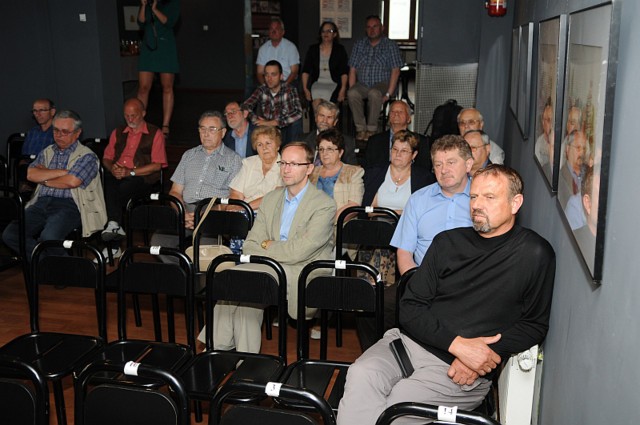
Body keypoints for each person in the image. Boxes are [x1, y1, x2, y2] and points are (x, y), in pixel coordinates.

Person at [337, 165, 556, 425]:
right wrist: (459, 345)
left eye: (489, 197)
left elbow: (534, 325)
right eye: (474, 197)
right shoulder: (447, 242)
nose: (477, 205)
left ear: (515, 202)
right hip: (408, 345)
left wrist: (479, 357)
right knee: (361, 374)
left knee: (399, 408)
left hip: (458, 371)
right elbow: (409, 306)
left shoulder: (534, 253)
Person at [212, 142, 335, 353]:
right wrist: (274, 248)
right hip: (269, 265)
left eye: (294, 164)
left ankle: (219, 350)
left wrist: (268, 246)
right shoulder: (270, 198)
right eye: (284, 163)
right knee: (233, 283)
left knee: (242, 283)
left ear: (309, 168)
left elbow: (299, 252)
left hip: (302, 270)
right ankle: (238, 356)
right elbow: (250, 245)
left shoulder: (324, 204)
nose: (286, 169)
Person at [2, 110, 107, 259]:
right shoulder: (46, 152)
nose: (59, 135)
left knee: (49, 238)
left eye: (65, 131)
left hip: (71, 205)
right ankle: (50, 264)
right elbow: (30, 174)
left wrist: (44, 177)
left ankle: (59, 267)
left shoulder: (87, 156)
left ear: (77, 133)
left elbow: (71, 182)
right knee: (11, 234)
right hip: (40, 202)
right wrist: (64, 172)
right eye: (56, 130)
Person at [149, 111, 242, 251]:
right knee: (158, 243)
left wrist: (205, 214)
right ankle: (182, 271)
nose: (206, 134)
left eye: (212, 129)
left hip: (212, 211)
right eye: (202, 129)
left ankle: (198, 271)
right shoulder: (189, 155)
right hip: (185, 208)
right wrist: (182, 213)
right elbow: (175, 191)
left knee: (203, 251)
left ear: (223, 133)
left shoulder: (233, 159)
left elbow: (234, 196)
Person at [391, 135, 474, 275]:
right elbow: (404, 252)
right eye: (438, 164)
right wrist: (415, 287)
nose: (444, 170)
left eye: (451, 162)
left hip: (471, 284)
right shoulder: (418, 200)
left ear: (468, 165)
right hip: (425, 285)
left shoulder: (483, 200)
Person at [100, 98, 168, 253]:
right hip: (118, 175)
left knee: (115, 192)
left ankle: (114, 242)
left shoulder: (154, 133)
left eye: (134, 115)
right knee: (107, 184)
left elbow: (157, 165)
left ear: (143, 113)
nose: (130, 119)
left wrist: (129, 172)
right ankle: (114, 227)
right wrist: (113, 168)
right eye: (126, 116)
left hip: (142, 177)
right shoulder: (118, 132)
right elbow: (106, 158)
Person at [347, 15, 403, 141]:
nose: (372, 30)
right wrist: (352, 88)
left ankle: (371, 130)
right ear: (365, 30)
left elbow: (395, 71)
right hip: (362, 83)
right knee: (352, 93)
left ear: (382, 28)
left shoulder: (390, 45)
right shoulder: (359, 45)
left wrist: (388, 93)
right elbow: (352, 69)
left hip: (382, 84)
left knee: (374, 93)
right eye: (368, 27)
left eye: (375, 26)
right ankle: (361, 129)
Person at [137, 0, 180, 137]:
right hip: (149, 47)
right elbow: (141, 22)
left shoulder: (172, 3)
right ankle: (139, 122)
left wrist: (155, 9)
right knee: (143, 87)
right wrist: (144, 5)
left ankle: (165, 125)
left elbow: (169, 22)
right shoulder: (147, 3)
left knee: (167, 86)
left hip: (165, 48)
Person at [243, 60, 303, 146]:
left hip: (285, 127)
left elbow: (298, 112)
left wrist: (275, 122)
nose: (269, 78)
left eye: (273, 74)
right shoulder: (262, 89)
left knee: (296, 123)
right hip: (267, 128)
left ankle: (292, 150)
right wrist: (256, 120)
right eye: (266, 74)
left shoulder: (290, 90)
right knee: (249, 122)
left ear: (281, 76)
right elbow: (246, 105)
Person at [310, 128, 364, 222]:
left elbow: (353, 206)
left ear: (340, 152)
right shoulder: (312, 172)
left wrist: (328, 222)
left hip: (339, 227)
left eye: (329, 149)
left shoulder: (354, 172)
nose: (324, 153)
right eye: (321, 149)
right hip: (312, 225)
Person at [365, 100, 433, 172]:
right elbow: (368, 168)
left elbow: (425, 170)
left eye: (400, 112)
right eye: (392, 111)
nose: (396, 114)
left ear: (409, 118)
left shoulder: (421, 141)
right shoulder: (374, 141)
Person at [228, 125, 283, 212]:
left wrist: (245, 207)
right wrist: (233, 209)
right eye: (259, 144)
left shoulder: (285, 166)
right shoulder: (248, 163)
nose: (264, 148)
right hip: (243, 214)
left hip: (269, 214)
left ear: (277, 146)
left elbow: (275, 196)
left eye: (268, 143)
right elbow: (236, 193)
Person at [301, 21, 349, 111]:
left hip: (333, 83)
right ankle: (320, 124)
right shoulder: (313, 49)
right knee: (316, 101)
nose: (326, 33)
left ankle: (322, 124)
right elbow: (305, 70)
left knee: (326, 106)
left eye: (329, 31)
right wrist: (305, 89)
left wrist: (343, 89)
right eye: (323, 31)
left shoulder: (340, 50)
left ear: (334, 34)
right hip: (317, 83)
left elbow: (344, 71)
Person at [303, 100, 357, 165]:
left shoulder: (347, 142)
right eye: (322, 116)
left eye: (329, 117)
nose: (324, 121)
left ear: (335, 122)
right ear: (315, 118)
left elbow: (351, 170)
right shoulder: (302, 140)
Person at [255, 18, 300, 86]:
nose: (274, 31)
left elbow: (294, 72)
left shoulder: (291, 47)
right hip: (268, 83)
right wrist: (265, 86)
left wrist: (284, 85)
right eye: (271, 29)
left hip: (287, 82)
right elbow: (259, 72)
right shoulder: (263, 49)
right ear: (268, 32)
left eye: (277, 29)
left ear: (283, 32)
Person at [558, 130, 587, 208]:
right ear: (568, 149)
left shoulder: (588, 174)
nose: (581, 153)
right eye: (578, 148)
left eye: (584, 149)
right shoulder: (560, 177)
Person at [534, 99, 554, 168]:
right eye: (548, 120)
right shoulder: (539, 145)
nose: (551, 124)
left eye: (553, 121)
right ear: (543, 122)